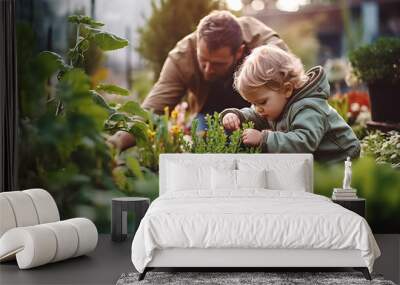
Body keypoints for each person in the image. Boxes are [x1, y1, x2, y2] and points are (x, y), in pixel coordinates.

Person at [108, 10, 288, 150]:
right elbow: (151, 110)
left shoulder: (266, 47)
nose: (208, 70)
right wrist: (115, 144)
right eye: (203, 61)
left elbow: (293, 88)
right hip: (208, 113)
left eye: (217, 64)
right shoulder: (181, 57)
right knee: (204, 147)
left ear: (239, 52)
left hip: (259, 112)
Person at [220, 45, 360, 164]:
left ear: (287, 89)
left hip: (340, 160)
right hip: (319, 161)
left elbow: (303, 142)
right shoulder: (276, 104)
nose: (257, 108)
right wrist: (237, 116)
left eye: (261, 102)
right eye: (253, 103)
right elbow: (255, 115)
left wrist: (264, 139)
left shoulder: (309, 107)